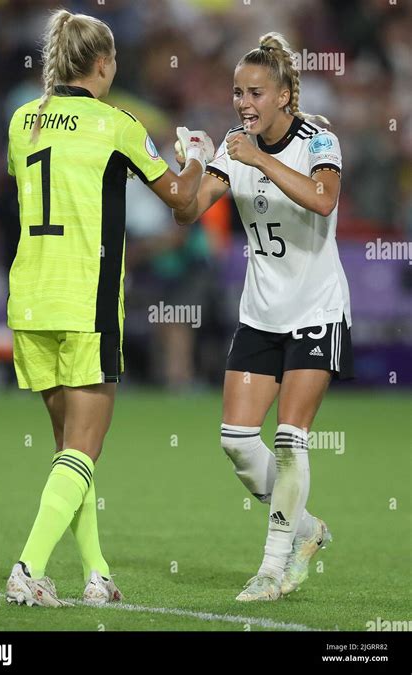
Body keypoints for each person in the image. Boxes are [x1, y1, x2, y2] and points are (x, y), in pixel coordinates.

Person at [5, 8, 214, 607]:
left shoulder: (24, 120)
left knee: (70, 454)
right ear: (102, 64)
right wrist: (194, 154)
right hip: (86, 299)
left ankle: (96, 574)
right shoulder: (115, 122)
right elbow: (181, 201)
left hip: (30, 299)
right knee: (84, 449)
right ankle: (28, 566)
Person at [174, 32, 353, 601]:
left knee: (289, 439)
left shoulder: (320, 141)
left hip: (315, 311)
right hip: (261, 313)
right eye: (236, 93)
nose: (243, 103)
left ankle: (273, 569)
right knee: (235, 440)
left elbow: (324, 201)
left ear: (283, 97)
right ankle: (306, 531)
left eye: (254, 92)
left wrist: (258, 160)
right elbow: (189, 209)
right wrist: (197, 158)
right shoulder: (235, 146)